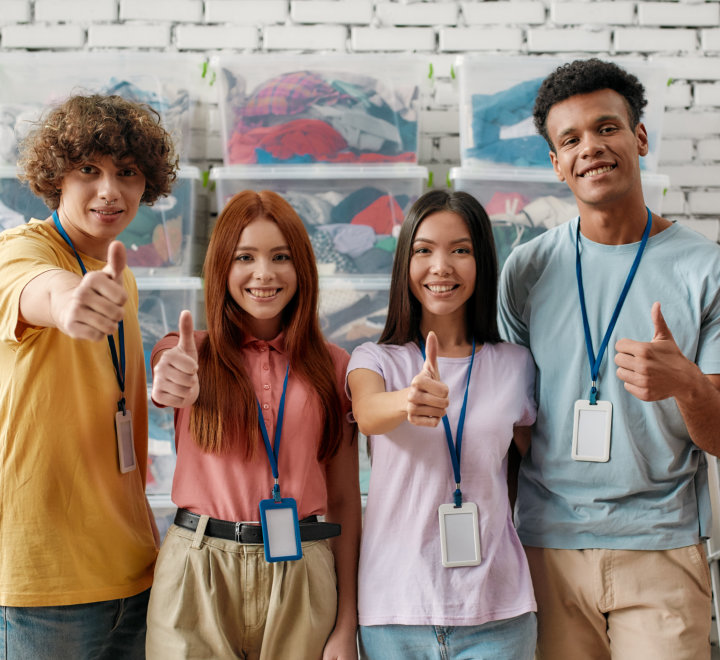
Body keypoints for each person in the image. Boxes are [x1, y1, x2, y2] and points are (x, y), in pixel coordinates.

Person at [498, 58, 720, 660]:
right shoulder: (525, 269)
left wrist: (689, 385)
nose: (590, 148)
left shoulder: (705, 267)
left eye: (607, 128)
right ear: (555, 163)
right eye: (570, 139)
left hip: (662, 547)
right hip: (547, 549)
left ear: (639, 137)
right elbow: (514, 416)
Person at [146, 189, 361, 660]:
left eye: (280, 257)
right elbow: (166, 380)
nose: (264, 274)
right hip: (196, 570)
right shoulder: (188, 352)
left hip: (302, 567)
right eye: (245, 257)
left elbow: (345, 498)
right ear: (222, 267)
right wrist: (168, 380)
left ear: (301, 268)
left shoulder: (335, 365)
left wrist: (347, 624)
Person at [0, 94, 178, 658]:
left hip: (132, 569)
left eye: (127, 173)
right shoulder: (20, 252)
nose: (109, 191)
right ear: (56, 177)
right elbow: (39, 291)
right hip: (43, 585)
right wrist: (67, 303)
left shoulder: (116, 273)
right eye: (88, 171)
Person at [347, 189, 538, 660]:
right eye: (424, 249)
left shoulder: (516, 364)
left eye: (461, 250)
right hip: (395, 612)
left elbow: (534, 464)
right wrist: (408, 400)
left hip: (499, 612)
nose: (442, 266)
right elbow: (368, 414)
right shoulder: (374, 359)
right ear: (405, 262)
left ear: (482, 261)